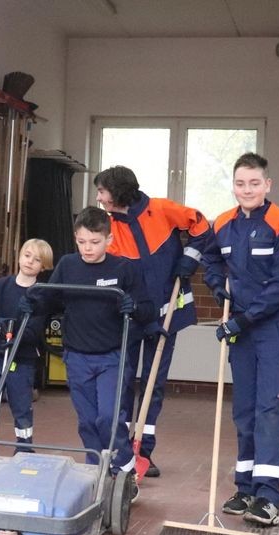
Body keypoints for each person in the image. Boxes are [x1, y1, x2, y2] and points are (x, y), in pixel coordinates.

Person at [202, 153, 279, 527]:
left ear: (267, 185)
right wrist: (216, 286)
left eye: (254, 183)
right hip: (242, 328)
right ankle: (244, 487)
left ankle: (268, 495)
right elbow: (211, 260)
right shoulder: (224, 224)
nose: (247, 190)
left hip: (274, 327)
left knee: (270, 409)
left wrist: (241, 320)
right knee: (243, 409)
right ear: (233, 185)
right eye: (241, 183)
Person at [94, 166, 210, 478]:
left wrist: (190, 259)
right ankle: (122, 449)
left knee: (153, 383)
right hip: (130, 319)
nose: (99, 198)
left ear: (118, 193)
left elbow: (202, 226)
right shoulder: (109, 228)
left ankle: (144, 449)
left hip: (168, 312)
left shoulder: (161, 209)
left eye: (102, 192)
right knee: (124, 378)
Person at [27, 207, 155, 487]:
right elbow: (52, 300)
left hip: (113, 356)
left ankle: (125, 472)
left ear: (109, 240)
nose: (88, 248)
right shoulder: (68, 266)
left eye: (95, 242)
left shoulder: (124, 269)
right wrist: (33, 301)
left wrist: (132, 307)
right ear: (76, 238)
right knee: (87, 421)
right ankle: (96, 472)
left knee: (108, 418)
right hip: (77, 356)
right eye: (82, 241)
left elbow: (147, 310)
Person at [0, 239, 54, 451]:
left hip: (22, 358)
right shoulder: (2, 286)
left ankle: (24, 445)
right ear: (19, 257)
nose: (30, 262)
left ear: (43, 266)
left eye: (37, 260)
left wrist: (17, 331)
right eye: (27, 256)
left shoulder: (41, 295)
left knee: (20, 402)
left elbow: (35, 329)